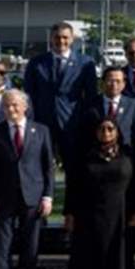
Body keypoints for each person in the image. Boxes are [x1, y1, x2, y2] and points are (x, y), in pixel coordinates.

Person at [0, 89, 54, 269]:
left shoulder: (41, 131)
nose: (10, 109)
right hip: (4, 197)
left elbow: (48, 166)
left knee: (30, 245)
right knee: (3, 245)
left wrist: (48, 197)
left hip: (33, 196)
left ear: (25, 107)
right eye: (6, 106)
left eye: (14, 105)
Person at [66, 117, 135, 269]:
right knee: (92, 251)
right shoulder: (85, 155)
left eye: (110, 129)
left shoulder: (128, 154)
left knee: (117, 252)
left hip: (120, 211)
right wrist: (70, 213)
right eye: (102, 129)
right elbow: (73, 186)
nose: (106, 133)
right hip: (90, 212)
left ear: (117, 132)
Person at [24, 22, 98, 171]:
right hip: (43, 122)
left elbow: (90, 95)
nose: (61, 41)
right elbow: (29, 94)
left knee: (74, 168)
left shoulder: (85, 63)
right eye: (57, 37)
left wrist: (84, 120)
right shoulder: (36, 63)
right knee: (41, 166)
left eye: (65, 37)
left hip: (72, 122)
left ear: (72, 39)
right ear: (51, 39)